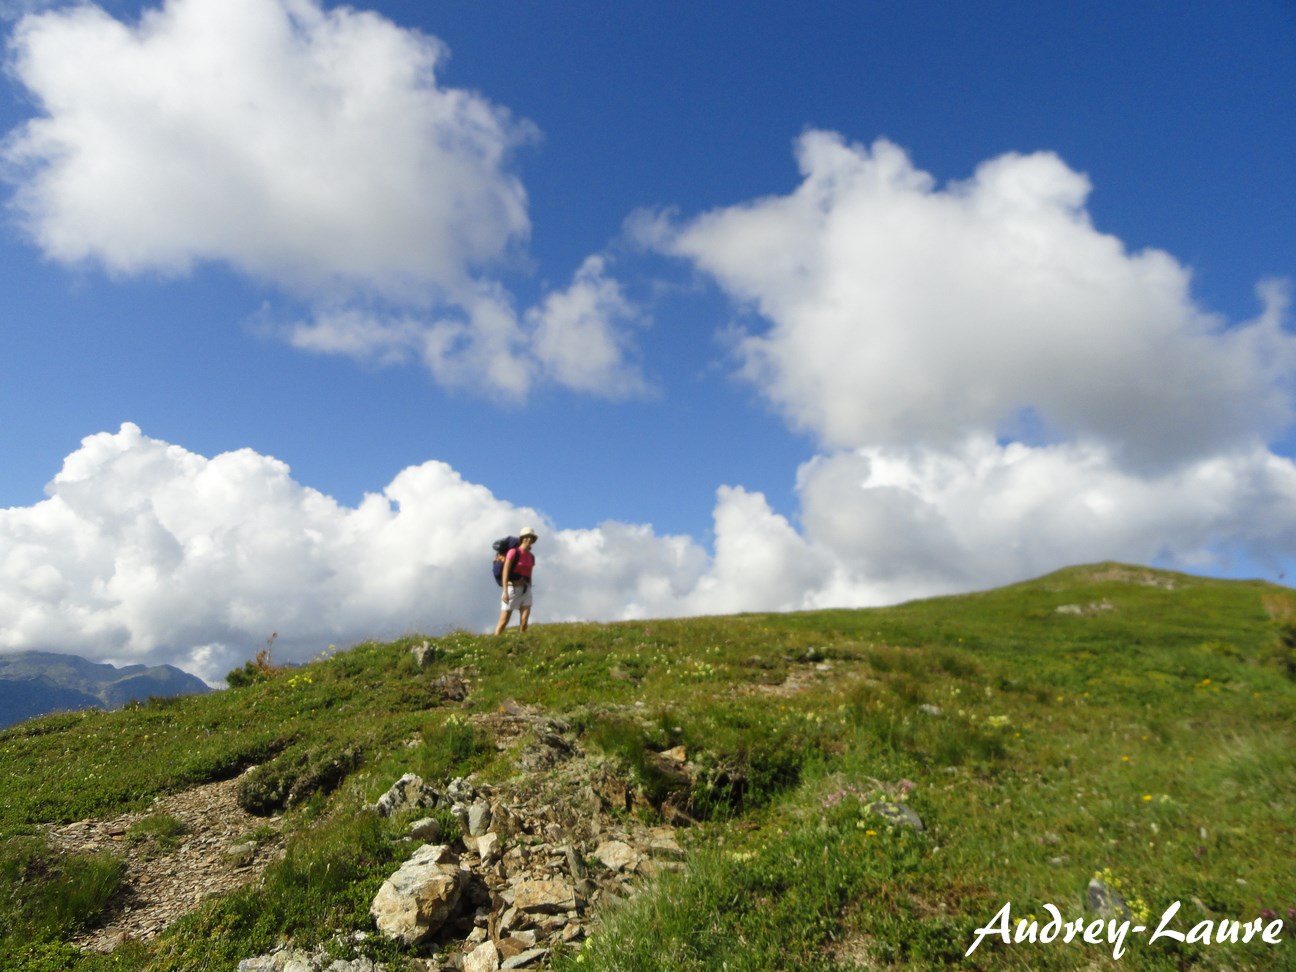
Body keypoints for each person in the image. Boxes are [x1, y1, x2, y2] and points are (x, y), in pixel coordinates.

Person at [494, 527, 537, 635]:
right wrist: (505, 591)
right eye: (526, 537)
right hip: (511, 589)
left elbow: (530, 572)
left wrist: (530, 586)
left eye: (531, 538)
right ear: (522, 538)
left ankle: (521, 642)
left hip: (526, 590)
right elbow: (505, 572)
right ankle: (495, 641)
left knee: (524, 622)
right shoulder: (513, 552)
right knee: (504, 621)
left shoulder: (531, 556)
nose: (529, 539)